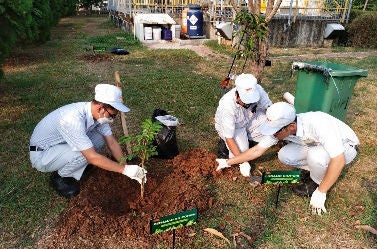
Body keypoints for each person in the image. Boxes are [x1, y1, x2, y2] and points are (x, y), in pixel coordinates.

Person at [215, 102, 359, 215]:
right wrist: (228, 162)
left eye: (275, 132)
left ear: (290, 126)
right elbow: (258, 150)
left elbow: (338, 159)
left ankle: (317, 183)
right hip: (316, 145)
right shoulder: (282, 126)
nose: (273, 135)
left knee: (316, 156)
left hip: (346, 148)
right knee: (285, 155)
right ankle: (320, 170)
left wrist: (321, 193)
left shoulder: (318, 124)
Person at [29, 84, 146, 198]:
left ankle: (76, 164)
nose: (112, 119)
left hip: (60, 145)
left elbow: (111, 142)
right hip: (42, 154)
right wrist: (124, 170)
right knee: (85, 154)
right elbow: (91, 157)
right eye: (112, 116)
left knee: (100, 138)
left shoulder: (96, 114)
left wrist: (124, 165)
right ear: (100, 108)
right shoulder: (72, 120)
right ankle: (61, 177)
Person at [214, 73, 272, 177]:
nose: (249, 104)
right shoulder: (227, 107)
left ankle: (248, 139)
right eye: (246, 101)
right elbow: (229, 137)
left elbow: (269, 108)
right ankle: (224, 145)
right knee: (241, 153)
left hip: (250, 118)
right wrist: (243, 161)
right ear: (237, 94)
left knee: (271, 127)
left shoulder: (258, 89)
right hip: (235, 128)